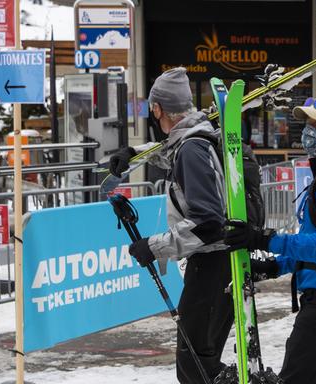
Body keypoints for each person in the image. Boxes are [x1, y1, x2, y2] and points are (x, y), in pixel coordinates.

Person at [224, 92, 316, 384]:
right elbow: (315, 243)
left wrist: (265, 239)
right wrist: (275, 266)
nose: (309, 132)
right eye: (308, 124)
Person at [110, 67, 233, 383]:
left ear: (157, 109)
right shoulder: (196, 140)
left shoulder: (192, 149)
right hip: (217, 265)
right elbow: (169, 154)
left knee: (195, 368)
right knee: (200, 365)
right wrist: (133, 155)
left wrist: (153, 247)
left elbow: (209, 224)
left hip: (211, 265)